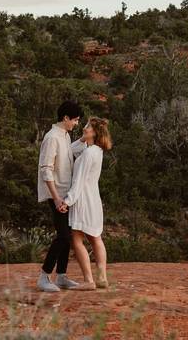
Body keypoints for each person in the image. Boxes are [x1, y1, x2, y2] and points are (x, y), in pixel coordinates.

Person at [36, 100, 86, 293]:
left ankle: (62, 276)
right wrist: (56, 198)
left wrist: (82, 141)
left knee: (69, 235)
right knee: (64, 236)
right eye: (75, 120)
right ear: (65, 118)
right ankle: (44, 276)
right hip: (56, 195)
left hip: (66, 195)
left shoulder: (64, 135)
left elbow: (69, 153)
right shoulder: (51, 138)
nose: (76, 123)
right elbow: (46, 170)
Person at [59, 117, 112, 290]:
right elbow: (70, 150)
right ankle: (102, 277)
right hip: (93, 199)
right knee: (95, 237)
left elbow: (79, 181)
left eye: (88, 127)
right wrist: (83, 138)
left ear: (95, 132)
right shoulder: (95, 150)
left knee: (76, 239)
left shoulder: (89, 153)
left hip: (83, 199)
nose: (84, 128)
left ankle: (89, 281)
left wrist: (67, 201)